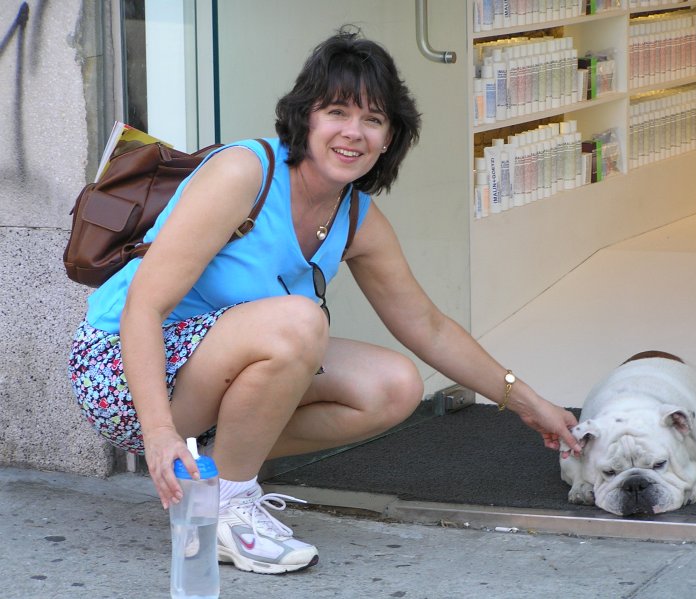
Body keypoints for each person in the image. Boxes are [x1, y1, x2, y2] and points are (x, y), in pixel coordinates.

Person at [68, 27, 581, 576]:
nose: (353, 132)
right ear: (305, 118)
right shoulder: (245, 173)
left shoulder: (356, 217)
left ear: (390, 138)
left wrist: (528, 402)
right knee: (299, 323)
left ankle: (211, 476)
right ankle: (227, 509)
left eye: (373, 119)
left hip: (208, 373)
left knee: (394, 385)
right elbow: (142, 306)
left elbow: (428, 326)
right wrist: (157, 433)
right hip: (121, 371)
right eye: (337, 112)